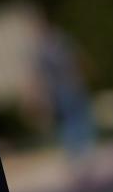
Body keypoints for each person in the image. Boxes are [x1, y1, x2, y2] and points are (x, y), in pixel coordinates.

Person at [36, 20, 96, 166]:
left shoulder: (45, 49)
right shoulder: (58, 44)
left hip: (64, 88)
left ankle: (78, 152)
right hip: (66, 88)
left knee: (72, 120)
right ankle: (80, 151)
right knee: (76, 118)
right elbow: (77, 58)